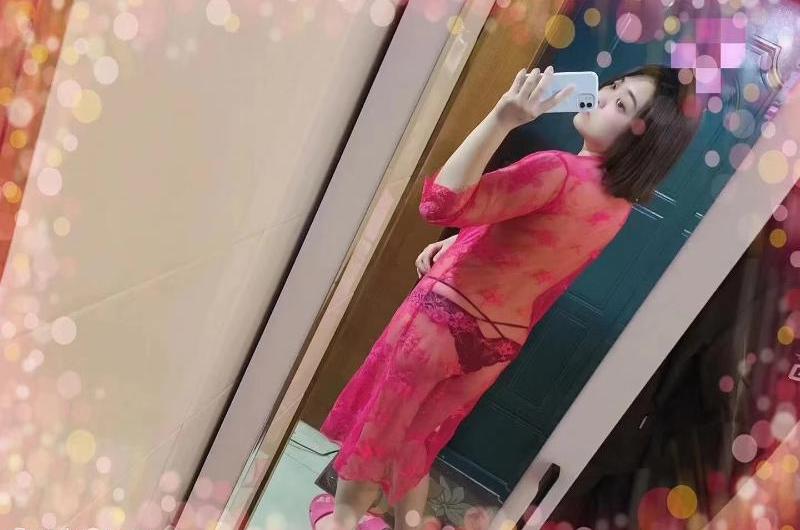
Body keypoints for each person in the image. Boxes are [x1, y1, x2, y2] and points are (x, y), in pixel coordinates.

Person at [309, 63, 701, 530]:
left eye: (621, 104)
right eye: (613, 87)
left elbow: (439, 203)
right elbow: (537, 263)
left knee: (377, 439)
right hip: (494, 347)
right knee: (415, 446)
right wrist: (461, 244)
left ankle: (341, 520)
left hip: (439, 323)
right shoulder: (616, 207)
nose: (600, 96)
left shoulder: (557, 169)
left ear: (643, 140)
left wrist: (501, 118)